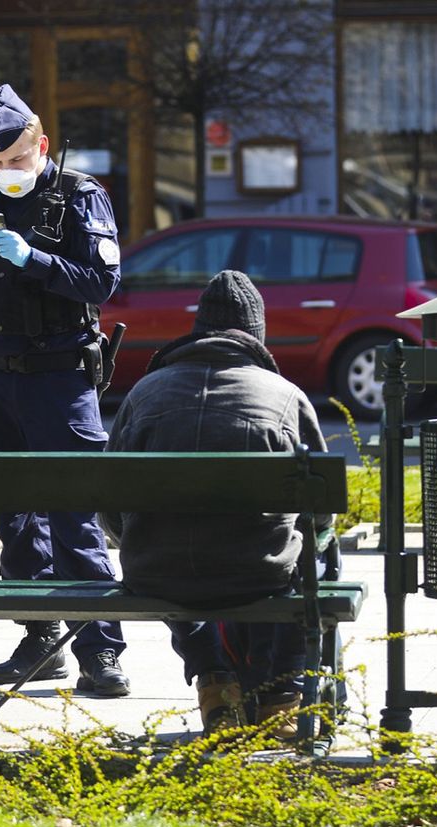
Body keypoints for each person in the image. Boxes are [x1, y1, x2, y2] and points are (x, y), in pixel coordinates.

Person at [0, 83, 129, 696]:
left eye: (17, 160)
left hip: (58, 374)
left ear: (41, 146)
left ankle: (100, 649)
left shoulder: (79, 197)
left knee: (74, 509)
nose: (6, 172)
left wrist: (31, 259)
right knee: (15, 515)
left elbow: (101, 282)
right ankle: (41, 635)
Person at [99, 270, 336, 736]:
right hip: (257, 570)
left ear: (199, 329)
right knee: (316, 552)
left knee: (172, 558)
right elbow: (321, 510)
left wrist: (142, 538)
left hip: (157, 568)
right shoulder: (285, 396)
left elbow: (110, 503)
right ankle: (282, 695)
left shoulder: (146, 393)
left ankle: (215, 682)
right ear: (257, 335)